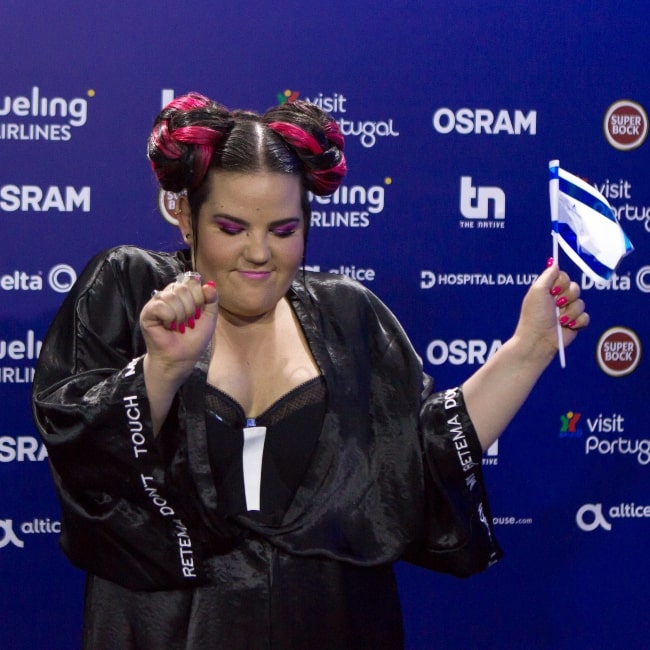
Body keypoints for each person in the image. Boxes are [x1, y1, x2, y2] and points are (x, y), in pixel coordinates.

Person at [32, 92, 588, 649]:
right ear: (185, 215)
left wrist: (530, 347)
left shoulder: (350, 315)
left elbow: (422, 464)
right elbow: (80, 453)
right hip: (162, 632)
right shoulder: (128, 289)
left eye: (283, 230)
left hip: (333, 623)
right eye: (231, 228)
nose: (258, 253)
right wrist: (160, 369)